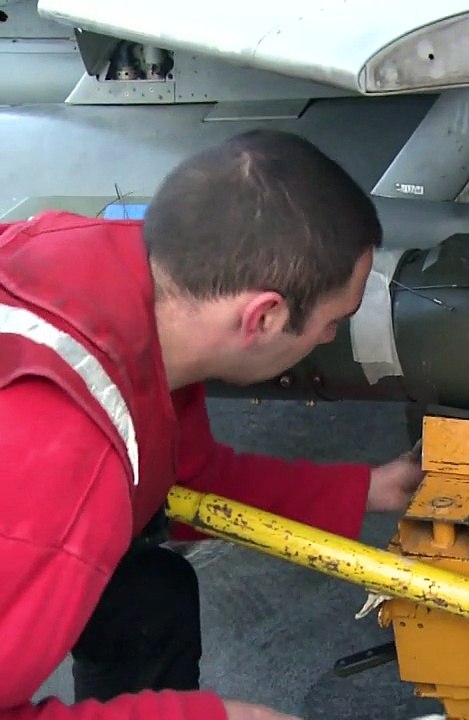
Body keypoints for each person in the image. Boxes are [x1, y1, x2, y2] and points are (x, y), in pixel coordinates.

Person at [0, 130, 425, 720]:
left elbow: (177, 479)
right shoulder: (64, 468)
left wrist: (368, 488)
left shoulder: (100, 268)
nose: (332, 339)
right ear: (265, 316)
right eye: (334, 320)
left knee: (149, 594)